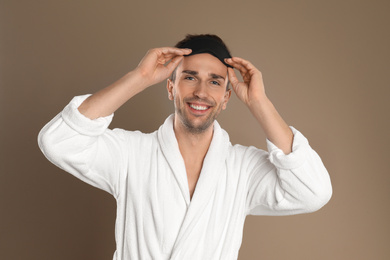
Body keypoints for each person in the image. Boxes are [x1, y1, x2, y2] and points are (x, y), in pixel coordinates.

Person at [38, 34, 332, 260]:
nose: (201, 93)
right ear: (170, 87)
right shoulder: (131, 154)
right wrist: (138, 78)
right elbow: (58, 141)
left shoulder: (243, 170)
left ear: (227, 97)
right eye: (190, 78)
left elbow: (312, 191)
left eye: (215, 82)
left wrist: (259, 103)